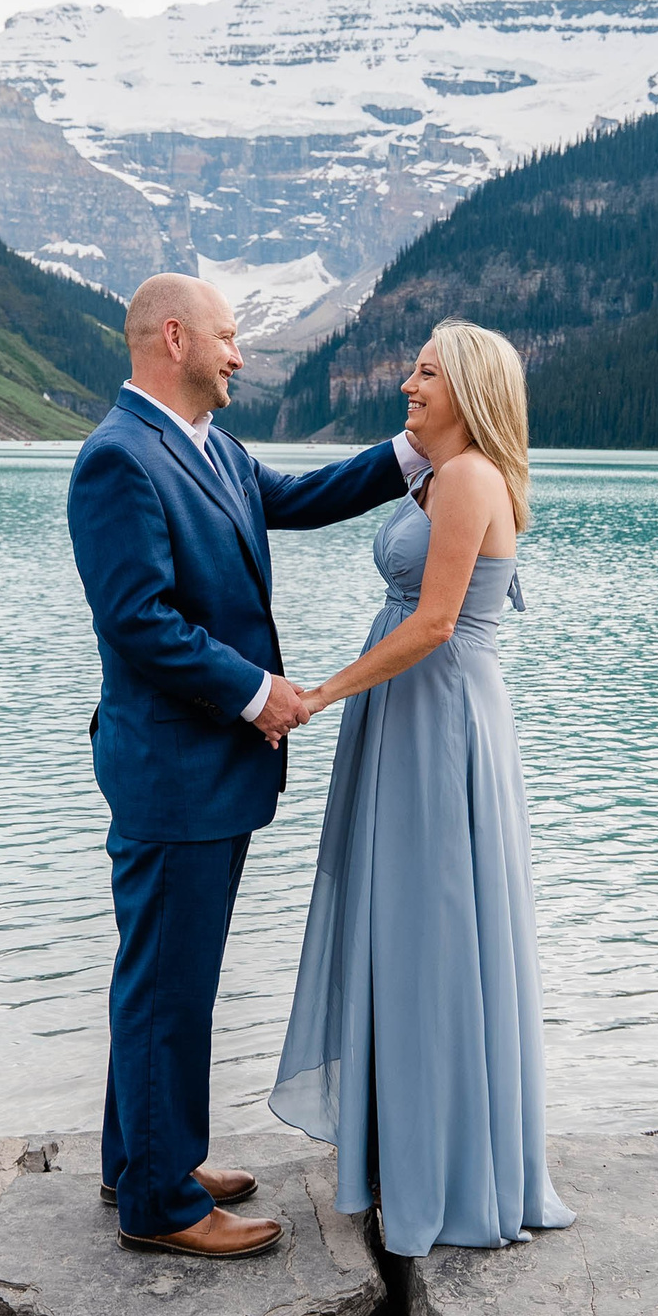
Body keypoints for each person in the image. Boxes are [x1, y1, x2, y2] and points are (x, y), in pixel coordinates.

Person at [66, 274, 431, 1258]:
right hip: (169, 763)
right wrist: (254, 690)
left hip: (202, 768)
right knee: (166, 984)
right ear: (174, 338)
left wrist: (415, 452)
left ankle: (142, 1160)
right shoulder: (117, 460)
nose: (240, 356)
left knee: (165, 975)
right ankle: (161, 1206)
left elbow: (301, 497)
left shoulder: (210, 449)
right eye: (228, 340)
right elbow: (137, 622)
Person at [269, 319, 573, 1257]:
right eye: (412, 369)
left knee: (435, 929)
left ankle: (444, 1169)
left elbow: (438, 622)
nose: (408, 383)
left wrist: (321, 692)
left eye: (427, 373)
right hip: (410, 716)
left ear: (470, 388)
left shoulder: (472, 477)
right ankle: (405, 1148)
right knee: (402, 925)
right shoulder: (437, 474)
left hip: (437, 720)